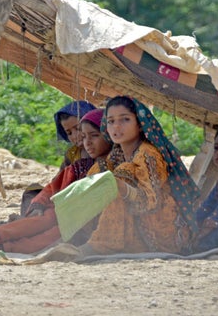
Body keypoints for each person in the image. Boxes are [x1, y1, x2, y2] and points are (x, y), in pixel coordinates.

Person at [0, 108, 111, 254]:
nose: (85, 141)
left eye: (94, 135)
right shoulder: (80, 164)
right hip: (66, 210)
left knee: (55, 231)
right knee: (45, 215)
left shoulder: (115, 163)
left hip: (90, 220)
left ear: (108, 134)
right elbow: (55, 185)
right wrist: (39, 205)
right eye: (83, 136)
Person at [77, 95, 201, 255]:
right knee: (100, 176)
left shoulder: (148, 154)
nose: (116, 127)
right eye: (111, 121)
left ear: (140, 125)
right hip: (137, 220)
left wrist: (123, 188)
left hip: (161, 228)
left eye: (125, 120)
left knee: (118, 180)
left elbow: (151, 202)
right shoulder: (116, 154)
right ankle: (100, 241)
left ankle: (103, 244)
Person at [15, 100, 96, 217]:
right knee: (32, 192)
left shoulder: (103, 151)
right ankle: (32, 218)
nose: (74, 136)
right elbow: (58, 182)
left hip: (83, 203)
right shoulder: (72, 154)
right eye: (69, 132)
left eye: (78, 128)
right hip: (65, 197)